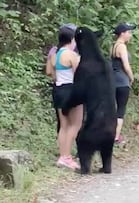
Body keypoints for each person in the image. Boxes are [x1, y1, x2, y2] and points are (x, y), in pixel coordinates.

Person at [46, 26, 82, 169]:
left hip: (59, 90)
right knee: (76, 124)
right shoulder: (72, 55)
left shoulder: (54, 55)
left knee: (64, 125)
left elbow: (52, 74)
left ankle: (62, 156)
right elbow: (79, 76)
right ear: (72, 39)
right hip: (72, 90)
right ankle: (67, 157)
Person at [46, 24, 78, 134]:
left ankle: (61, 147)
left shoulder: (54, 51)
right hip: (72, 88)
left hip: (58, 88)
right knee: (75, 122)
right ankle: (69, 148)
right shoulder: (73, 53)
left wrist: (57, 78)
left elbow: (49, 71)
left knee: (62, 123)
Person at [110, 23, 136, 144]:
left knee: (112, 109)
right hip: (122, 82)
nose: (130, 35)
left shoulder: (113, 47)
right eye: (129, 32)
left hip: (112, 81)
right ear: (122, 33)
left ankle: (109, 133)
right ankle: (116, 137)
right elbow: (126, 65)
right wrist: (131, 77)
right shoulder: (122, 47)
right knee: (121, 110)